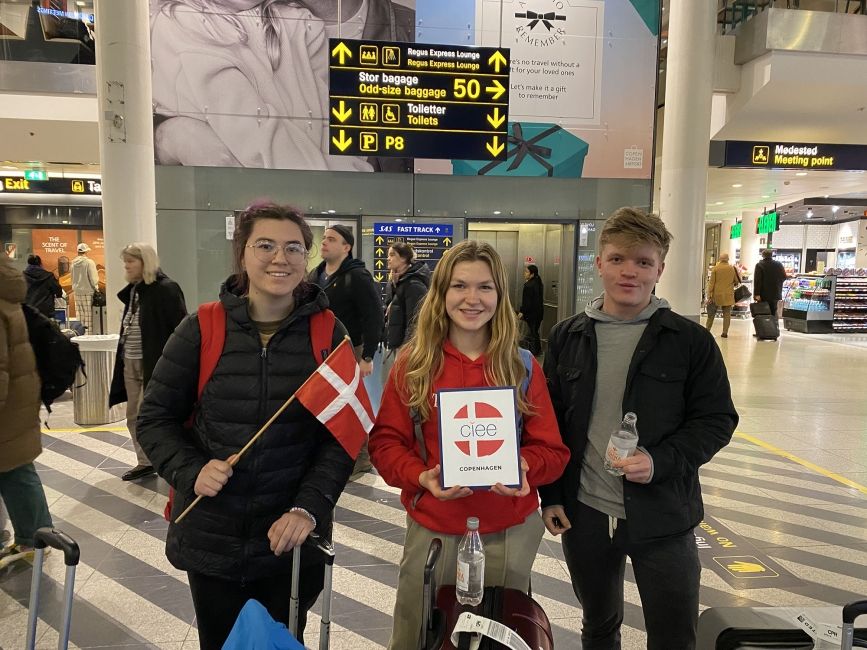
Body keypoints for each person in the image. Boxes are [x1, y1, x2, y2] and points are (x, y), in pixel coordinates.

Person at [136, 203, 354, 650]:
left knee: (281, 642)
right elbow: (155, 418)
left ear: (307, 257)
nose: (281, 258)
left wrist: (307, 509)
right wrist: (192, 471)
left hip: (289, 541)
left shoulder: (328, 334)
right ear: (242, 253)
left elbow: (341, 440)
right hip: (214, 540)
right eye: (266, 245)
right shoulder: (202, 328)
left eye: (294, 247)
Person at [541, 207, 737, 650]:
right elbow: (550, 423)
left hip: (664, 515)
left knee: (673, 636)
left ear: (660, 269)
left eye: (643, 262)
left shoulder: (690, 342)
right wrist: (550, 495)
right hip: (585, 512)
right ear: (599, 263)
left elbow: (717, 419)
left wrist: (660, 460)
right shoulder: (568, 336)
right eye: (617, 259)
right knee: (598, 626)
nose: (629, 272)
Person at [369, 240, 570, 650]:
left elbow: (552, 450)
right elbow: (386, 443)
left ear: (500, 294)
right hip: (434, 530)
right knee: (416, 635)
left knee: (497, 638)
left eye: (485, 287)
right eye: (460, 286)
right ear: (442, 294)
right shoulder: (414, 364)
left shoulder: (522, 366)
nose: (472, 299)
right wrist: (420, 476)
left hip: (508, 530)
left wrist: (524, 468)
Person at [150, 0, 370, 171]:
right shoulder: (182, 23)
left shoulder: (302, 23)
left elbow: (337, 140)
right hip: (242, 206)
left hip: (307, 204)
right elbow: (257, 141)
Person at [108, 243, 187, 482]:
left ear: (146, 262)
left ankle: (167, 459)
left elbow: (180, 329)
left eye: (131, 261)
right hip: (130, 362)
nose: (126, 266)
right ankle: (144, 461)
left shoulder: (166, 289)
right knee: (133, 414)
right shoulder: (134, 290)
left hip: (154, 365)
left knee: (153, 415)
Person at [309, 224, 383, 477]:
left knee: (351, 402)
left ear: (346, 247)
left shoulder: (357, 277)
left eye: (331, 239)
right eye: (325, 238)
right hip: (321, 349)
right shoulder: (315, 275)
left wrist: (368, 355)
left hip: (349, 348)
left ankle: (361, 457)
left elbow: (373, 316)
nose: (325, 243)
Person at [0, 252, 54, 569]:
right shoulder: (7, 296)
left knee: (17, 472)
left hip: (7, 409)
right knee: (16, 471)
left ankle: (34, 538)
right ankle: (33, 537)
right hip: (16, 404)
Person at [382, 242, 430, 382]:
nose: (388, 258)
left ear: (403, 258)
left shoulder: (414, 285)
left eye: (392, 255)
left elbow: (416, 321)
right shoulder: (396, 282)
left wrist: (407, 350)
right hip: (393, 344)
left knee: (400, 387)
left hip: (405, 348)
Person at [705, 252, 740, 338]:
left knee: (711, 314)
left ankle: (707, 330)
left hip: (716, 295)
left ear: (720, 259)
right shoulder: (732, 268)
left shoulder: (715, 269)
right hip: (728, 295)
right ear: (728, 259)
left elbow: (711, 283)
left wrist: (709, 294)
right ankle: (725, 332)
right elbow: (736, 281)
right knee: (727, 314)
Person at [24, 254, 63, 318]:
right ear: (40, 263)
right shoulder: (48, 276)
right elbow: (57, 289)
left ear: (28, 263)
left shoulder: (23, 276)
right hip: (45, 311)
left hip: (28, 309)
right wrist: (59, 295)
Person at [71, 242, 99, 331]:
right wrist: (96, 288)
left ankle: (80, 333)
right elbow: (93, 278)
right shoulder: (89, 262)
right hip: (88, 291)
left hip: (77, 291)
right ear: (86, 251)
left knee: (80, 314)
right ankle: (88, 334)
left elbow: (71, 277)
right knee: (88, 316)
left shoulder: (73, 263)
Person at [518, 264, 544, 355]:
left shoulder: (528, 286)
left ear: (532, 274)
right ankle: (538, 350)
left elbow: (527, 302)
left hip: (531, 314)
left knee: (531, 333)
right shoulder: (538, 283)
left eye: (526, 272)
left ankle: (533, 352)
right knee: (535, 332)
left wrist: (522, 311)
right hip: (538, 313)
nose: (524, 273)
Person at [754, 248, 787, 319]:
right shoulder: (779, 264)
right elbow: (784, 276)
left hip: (763, 293)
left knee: (763, 311)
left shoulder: (759, 265)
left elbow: (758, 281)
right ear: (772, 255)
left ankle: (765, 326)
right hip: (775, 292)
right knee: (773, 310)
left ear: (762, 255)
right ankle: (773, 327)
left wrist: (757, 294)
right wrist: (777, 284)